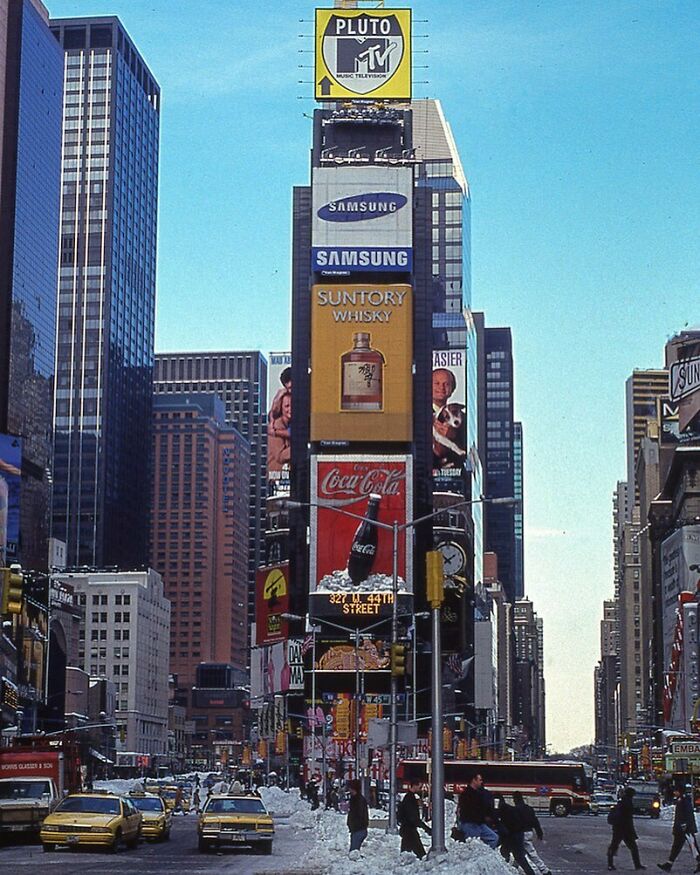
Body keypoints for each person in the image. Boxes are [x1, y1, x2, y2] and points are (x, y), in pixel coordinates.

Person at [657, 785, 698, 871]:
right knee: (678, 847)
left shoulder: (684, 800)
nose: (674, 793)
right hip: (681, 829)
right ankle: (669, 864)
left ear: (680, 791)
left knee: (692, 846)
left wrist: (685, 825)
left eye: (676, 791)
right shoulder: (682, 799)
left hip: (685, 829)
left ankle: (669, 864)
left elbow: (687, 814)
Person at [495, 794, 537, 875]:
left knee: (518, 856)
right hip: (516, 833)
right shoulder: (508, 808)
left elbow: (503, 825)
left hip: (514, 834)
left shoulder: (502, 809)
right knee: (510, 853)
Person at [512, 791, 551, 875]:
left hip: (521, 833)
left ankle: (544, 870)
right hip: (529, 831)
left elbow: (514, 823)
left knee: (528, 853)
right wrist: (539, 832)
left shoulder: (516, 809)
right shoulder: (529, 808)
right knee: (521, 851)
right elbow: (535, 821)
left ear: (514, 799)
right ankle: (513, 867)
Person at [457, 770, 499, 848]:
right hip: (470, 824)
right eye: (480, 780)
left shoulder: (478, 793)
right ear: (474, 780)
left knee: (494, 838)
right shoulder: (467, 794)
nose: (481, 782)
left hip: (479, 823)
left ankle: (485, 854)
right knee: (473, 845)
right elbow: (470, 810)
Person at [608, 786, 645, 871]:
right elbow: (627, 818)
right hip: (625, 829)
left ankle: (610, 864)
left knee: (614, 846)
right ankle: (637, 865)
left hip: (618, 828)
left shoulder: (621, 801)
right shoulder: (627, 802)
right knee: (633, 848)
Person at [397, 781, 431, 859]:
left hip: (406, 828)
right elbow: (413, 817)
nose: (421, 788)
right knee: (420, 852)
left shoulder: (408, 797)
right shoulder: (410, 799)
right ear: (414, 786)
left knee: (406, 850)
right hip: (409, 829)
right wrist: (425, 828)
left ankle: (403, 861)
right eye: (420, 786)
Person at [346, 780, 369, 854]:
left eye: (350, 788)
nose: (349, 790)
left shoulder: (358, 800)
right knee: (354, 852)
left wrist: (354, 824)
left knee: (354, 852)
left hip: (358, 829)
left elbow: (360, 814)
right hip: (356, 828)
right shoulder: (355, 798)